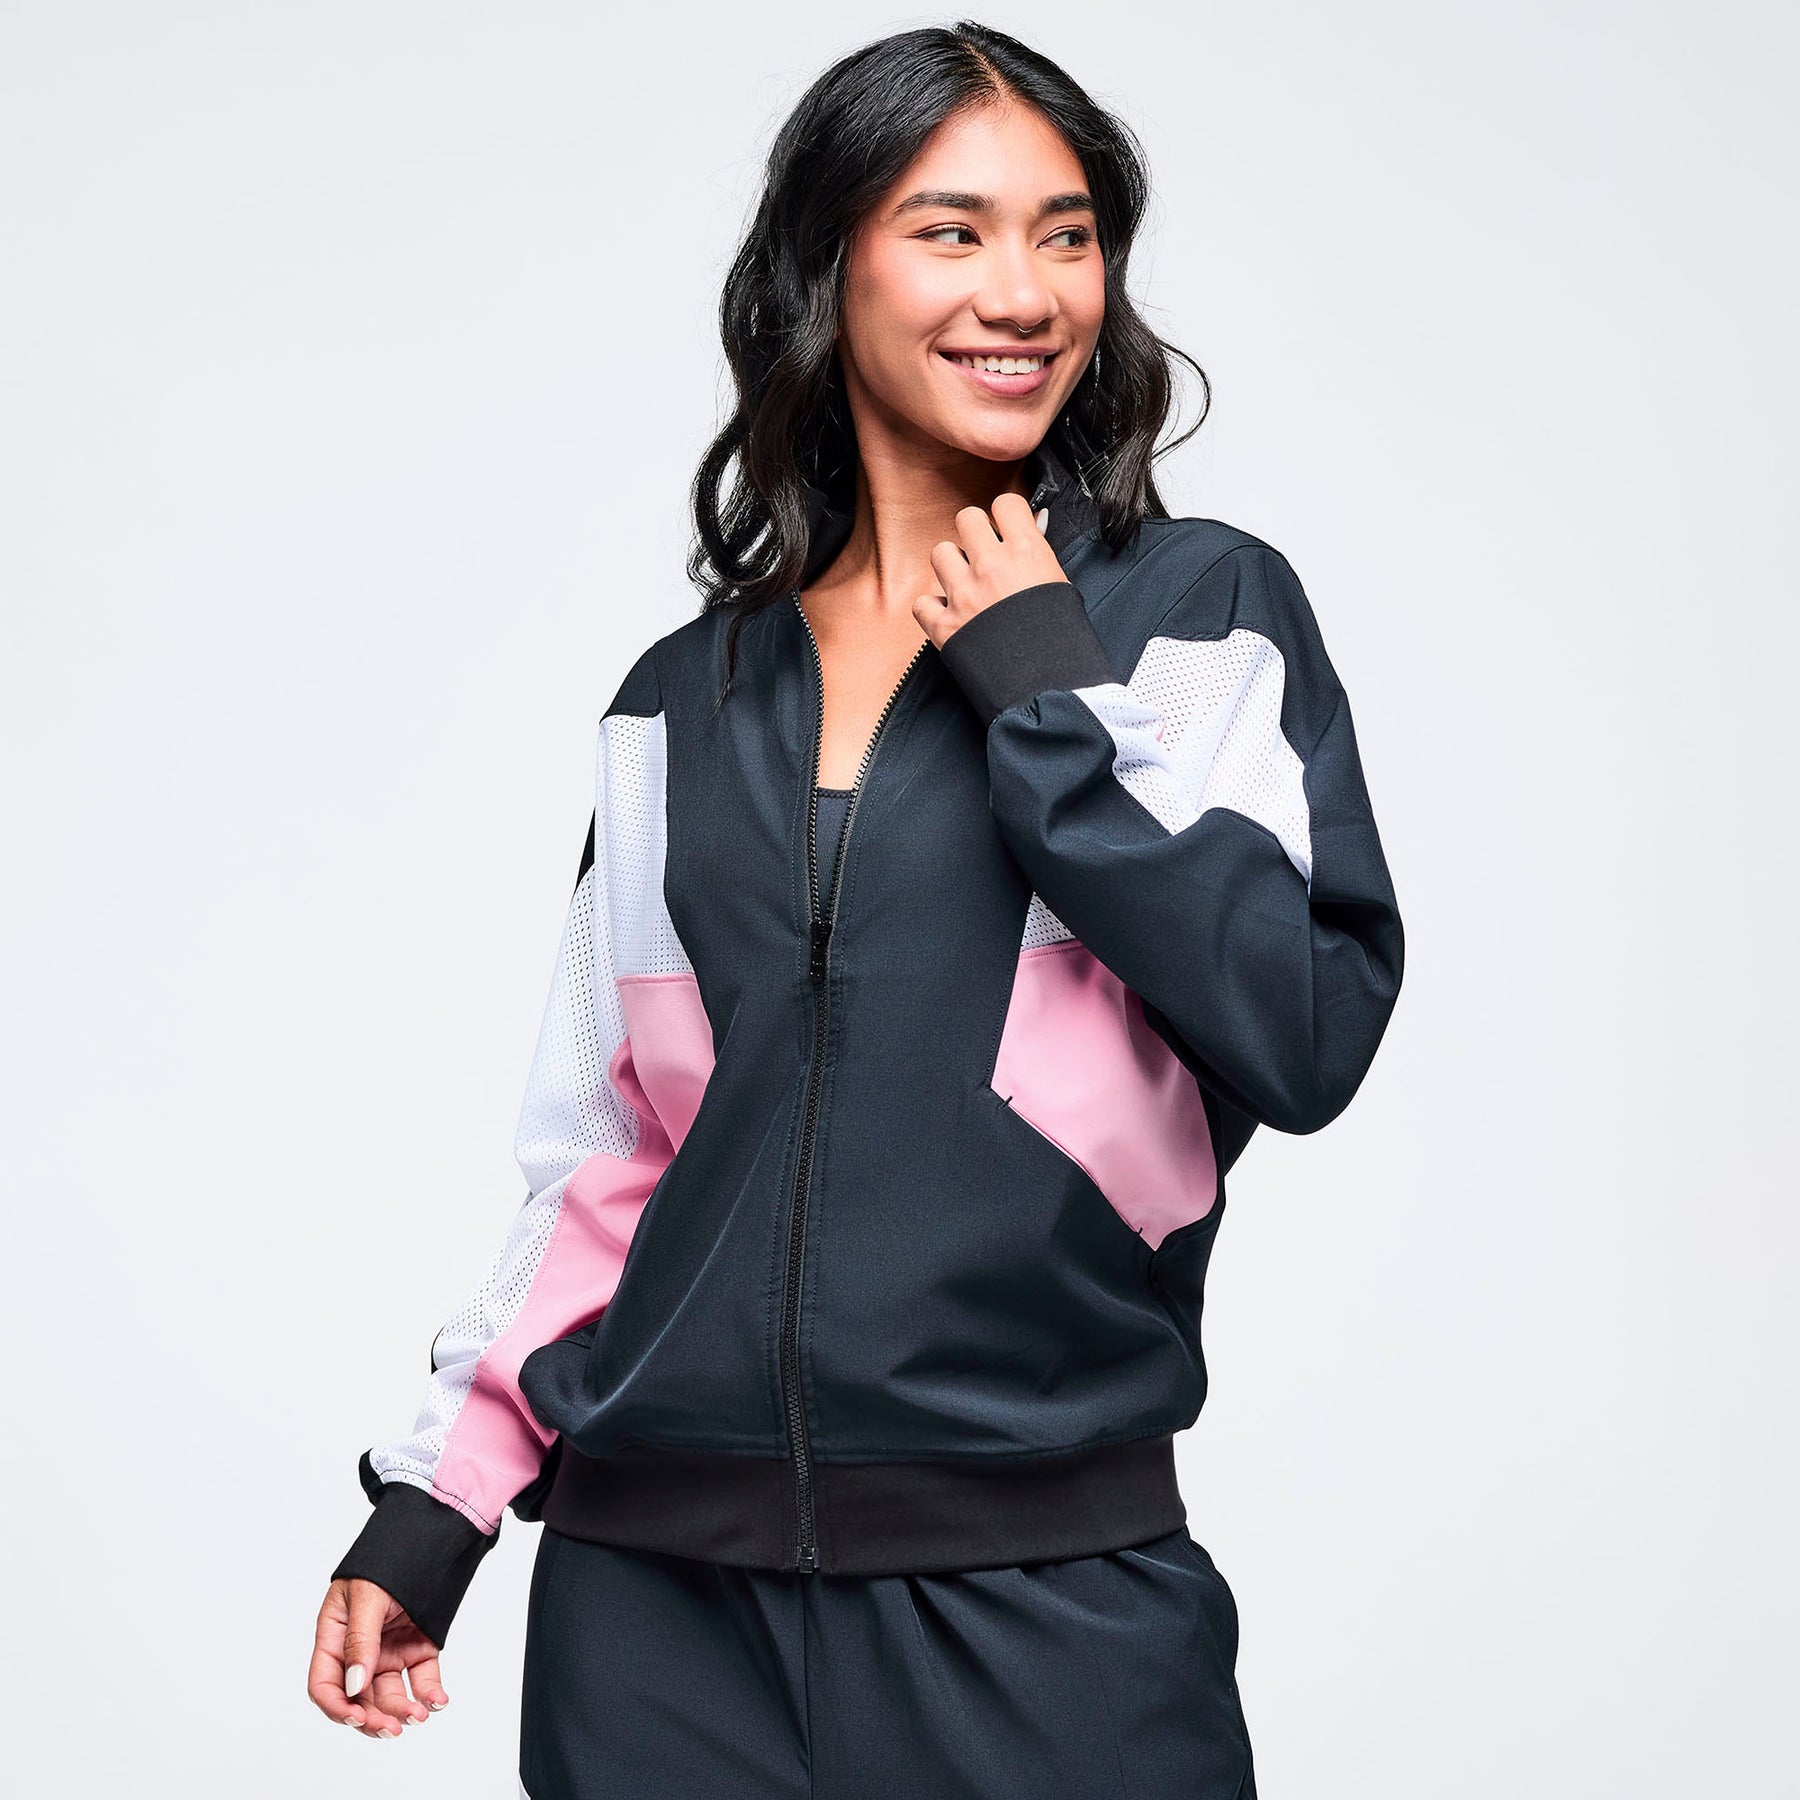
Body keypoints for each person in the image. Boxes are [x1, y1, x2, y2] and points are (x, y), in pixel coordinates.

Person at [307, 21, 1405, 1798]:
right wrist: (440, 1502)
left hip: (1036, 1597)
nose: (1023, 292)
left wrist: (1044, 696)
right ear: (829, 266)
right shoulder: (684, 701)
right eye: (952, 230)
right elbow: (613, 1153)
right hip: (658, 1622)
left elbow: (1297, 1023)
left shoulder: (1191, 620)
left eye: (1066, 234)